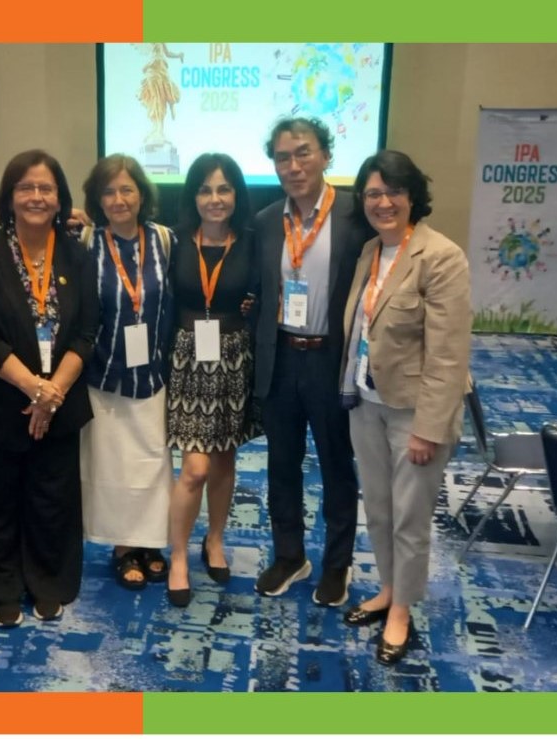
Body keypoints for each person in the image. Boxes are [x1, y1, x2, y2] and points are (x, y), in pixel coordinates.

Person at [338, 150, 471, 665]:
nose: (383, 202)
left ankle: (402, 610)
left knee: (409, 519)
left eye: (393, 191)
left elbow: (448, 355)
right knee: (378, 508)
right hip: (366, 401)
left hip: (415, 414)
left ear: (412, 196)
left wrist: (428, 429)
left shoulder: (441, 257)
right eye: (373, 193)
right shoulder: (371, 251)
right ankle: (389, 588)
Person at [0, 150, 97, 627]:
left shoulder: (78, 256)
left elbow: (87, 332)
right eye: (25, 188)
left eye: (46, 188)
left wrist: (53, 392)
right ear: (9, 197)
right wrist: (34, 388)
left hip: (60, 399)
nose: (36, 196)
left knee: (51, 496)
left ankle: (47, 581)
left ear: (60, 198)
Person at [253, 116, 375, 604]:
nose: (293, 165)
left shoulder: (356, 215)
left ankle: (337, 563)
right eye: (283, 157)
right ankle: (289, 555)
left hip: (332, 359)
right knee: (281, 464)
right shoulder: (266, 221)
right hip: (281, 357)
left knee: (335, 464)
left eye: (303, 152)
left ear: (326, 155)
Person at [165, 153, 260, 607]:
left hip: (234, 359)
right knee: (195, 468)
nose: (215, 199)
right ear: (193, 196)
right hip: (187, 360)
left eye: (223, 189)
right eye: (205, 190)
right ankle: (178, 556)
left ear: (236, 194)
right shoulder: (172, 240)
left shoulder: (254, 242)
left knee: (223, 461)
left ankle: (215, 540)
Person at [79, 154, 176, 591]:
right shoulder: (85, 241)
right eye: (109, 192)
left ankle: (150, 542)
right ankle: (122, 546)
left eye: (127, 189)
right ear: (98, 199)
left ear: (142, 194)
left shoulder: (165, 240)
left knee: (153, 462)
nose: (118, 199)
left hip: (152, 374)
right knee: (114, 465)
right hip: (103, 374)